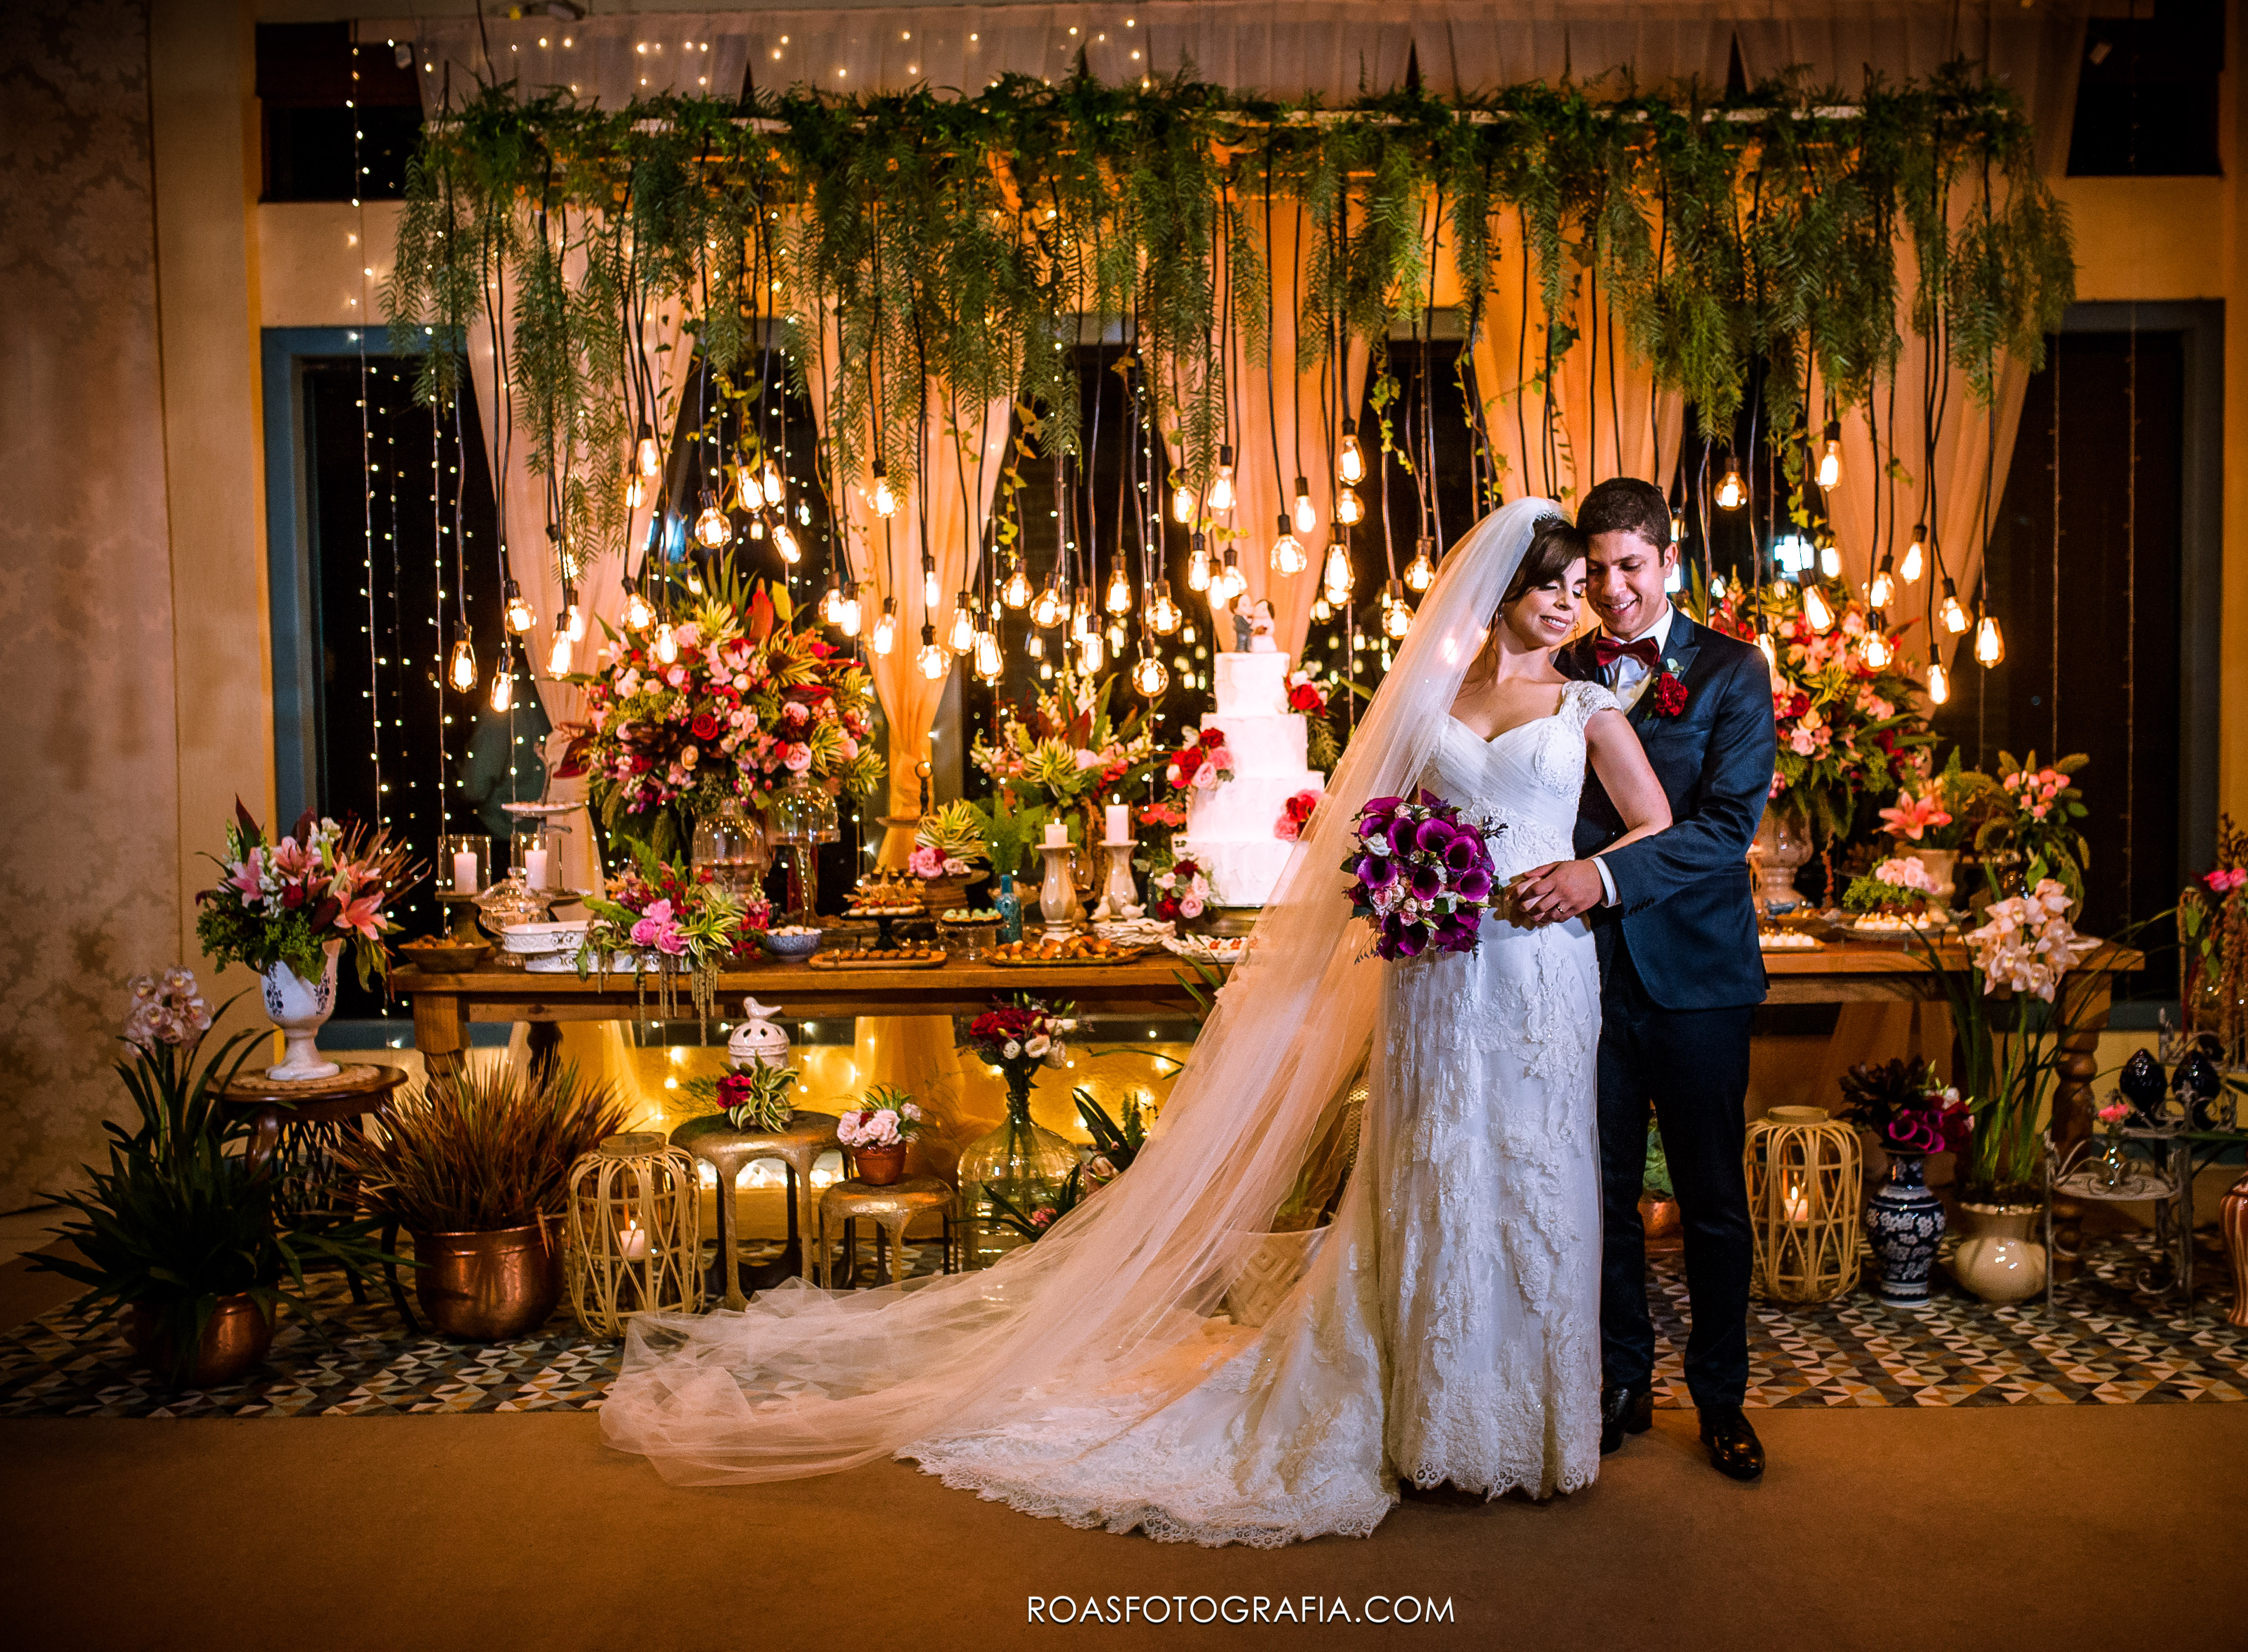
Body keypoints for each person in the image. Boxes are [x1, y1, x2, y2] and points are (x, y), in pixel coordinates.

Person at [600, 500, 1672, 1545]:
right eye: (1553, 588)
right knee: (1434, 1169)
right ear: (1501, 593)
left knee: (1531, 1172)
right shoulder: (1432, 701)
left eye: (1582, 591)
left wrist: (1587, 873)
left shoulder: (1591, 707)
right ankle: (1425, 1409)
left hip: (1537, 969)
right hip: (1437, 972)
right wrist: (1399, 880)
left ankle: (1521, 1425)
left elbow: (1653, 824)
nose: (1570, 608)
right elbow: (1372, 824)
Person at [1506, 476, 1776, 1482]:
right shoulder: (1558, 666)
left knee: (1712, 1201)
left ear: (1668, 562)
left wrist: (1600, 876)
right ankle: (1621, 1379)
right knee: (1602, 1191)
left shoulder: (1734, 672)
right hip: (1581, 977)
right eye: (1599, 569)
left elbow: (1723, 830)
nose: (1612, 590)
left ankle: (1721, 1399)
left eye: (1631, 567)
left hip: (1700, 976)